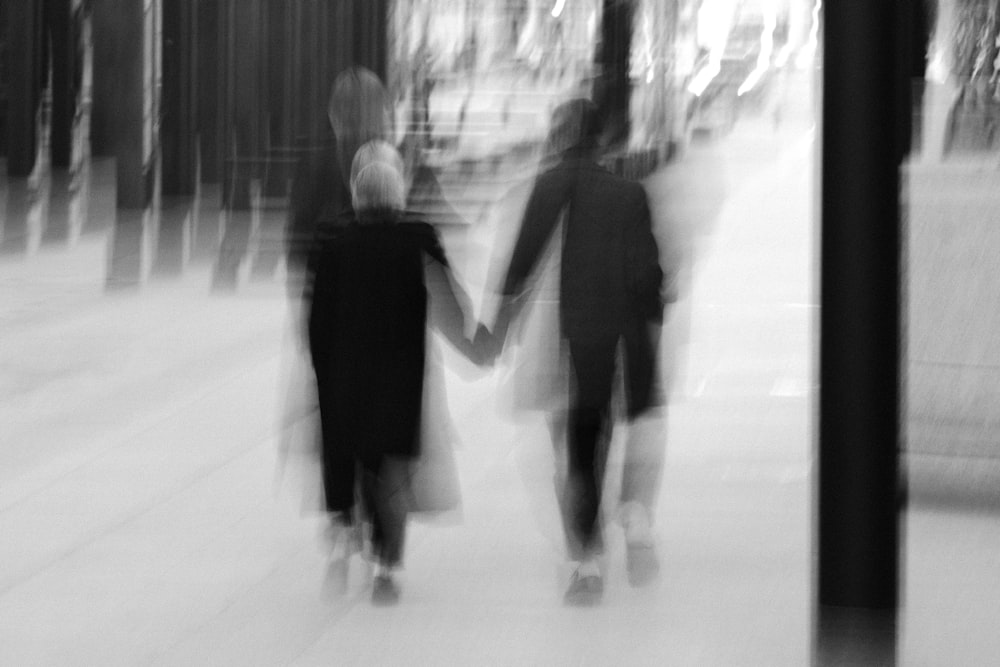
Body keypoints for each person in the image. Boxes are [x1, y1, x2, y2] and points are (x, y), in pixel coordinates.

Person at [490, 98, 667, 606]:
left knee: (571, 452)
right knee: (596, 440)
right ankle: (624, 527)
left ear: (559, 136)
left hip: (561, 340)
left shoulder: (547, 185)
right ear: (602, 140)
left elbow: (519, 265)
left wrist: (494, 332)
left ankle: (585, 560)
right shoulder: (629, 194)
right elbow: (650, 277)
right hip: (610, 339)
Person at [306, 141, 484, 605]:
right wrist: (473, 342)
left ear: (357, 194)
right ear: (399, 193)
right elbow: (447, 297)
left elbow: (317, 317)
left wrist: (321, 369)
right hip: (400, 375)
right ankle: (385, 566)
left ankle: (346, 534)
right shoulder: (417, 236)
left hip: (345, 374)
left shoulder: (332, 239)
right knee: (390, 469)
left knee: (354, 456)